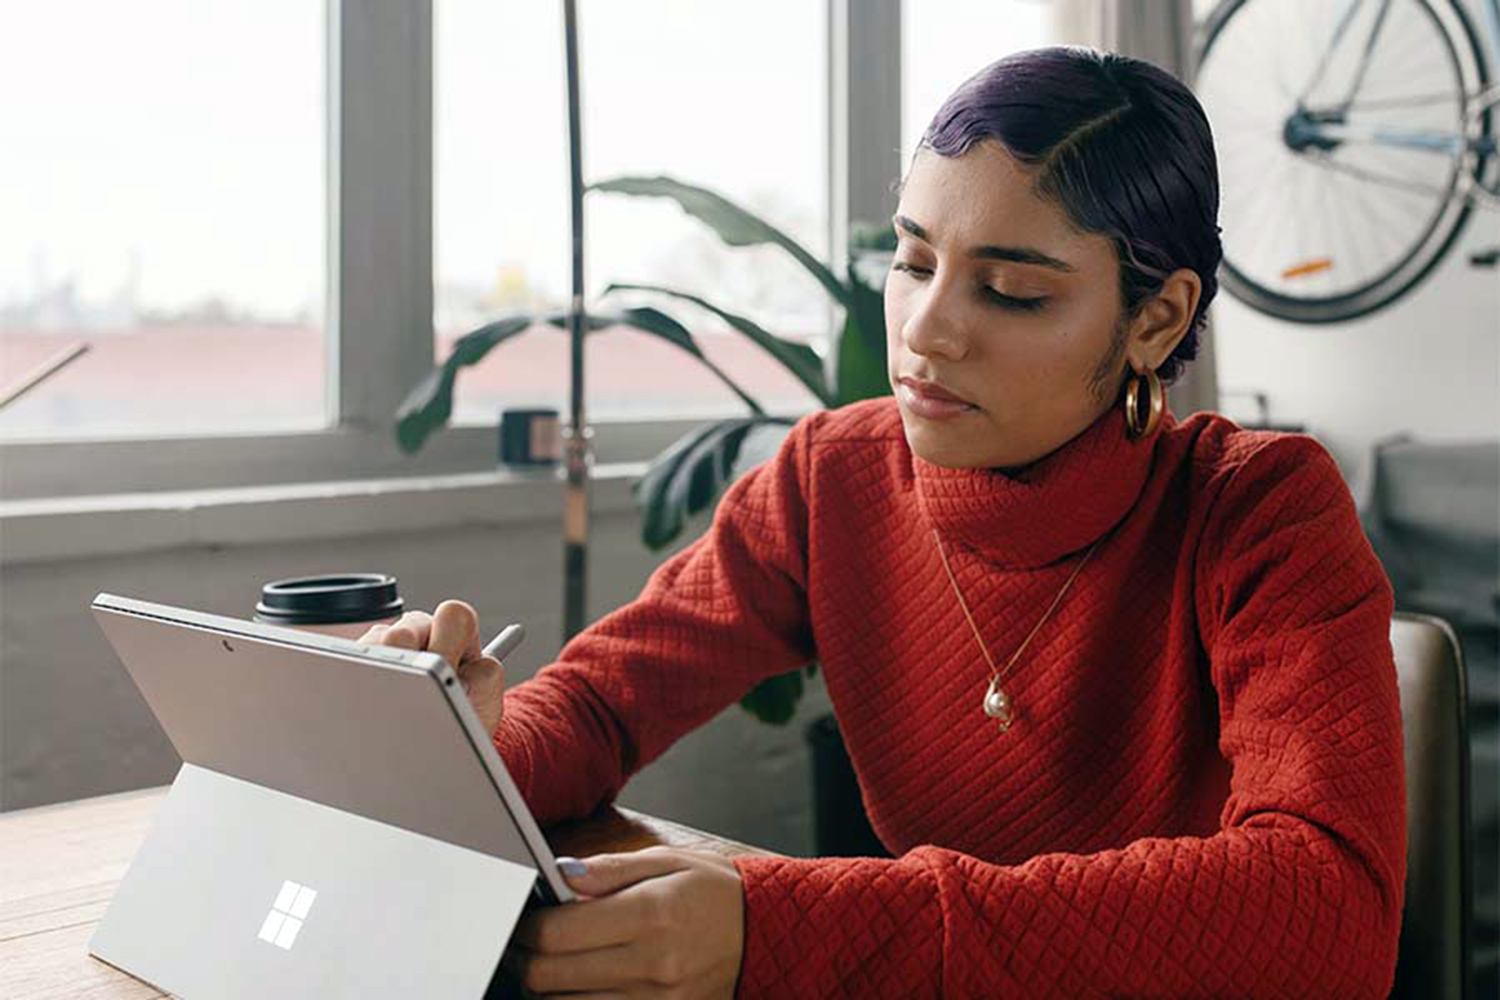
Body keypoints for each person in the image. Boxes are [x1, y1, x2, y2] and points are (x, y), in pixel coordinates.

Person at [365, 46, 1406, 999]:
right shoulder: (834, 477)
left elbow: (1329, 905)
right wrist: (459, 737)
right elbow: (601, 703)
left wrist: (787, 928)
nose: (925, 331)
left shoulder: (1264, 511)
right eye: (911, 264)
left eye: (1008, 291)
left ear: (1157, 319)